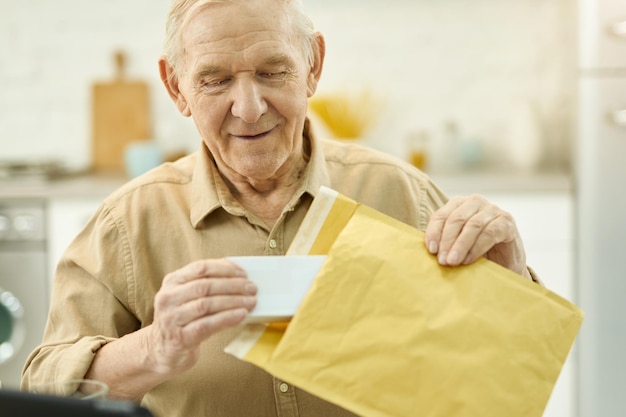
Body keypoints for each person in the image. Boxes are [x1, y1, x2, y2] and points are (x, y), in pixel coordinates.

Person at [21, 0, 539, 416]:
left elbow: (507, 386)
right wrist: (153, 348)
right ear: (176, 86)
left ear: (312, 66)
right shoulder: (127, 224)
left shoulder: (399, 193)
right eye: (215, 80)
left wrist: (509, 284)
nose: (248, 108)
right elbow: (42, 390)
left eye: (273, 72)